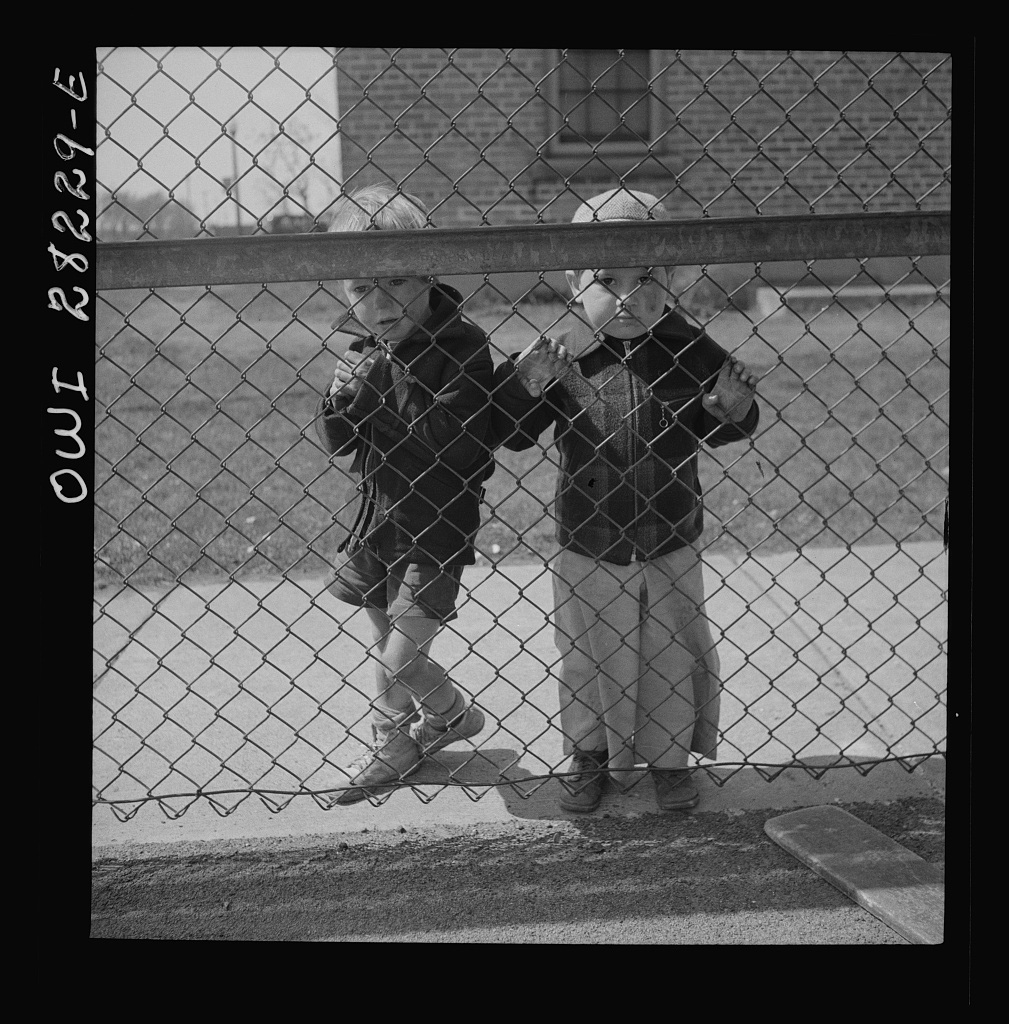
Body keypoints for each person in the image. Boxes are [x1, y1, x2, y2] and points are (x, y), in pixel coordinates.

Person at [491, 187, 760, 813]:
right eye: (607, 279)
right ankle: (588, 758)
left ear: (671, 280)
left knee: (668, 650)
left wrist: (730, 410)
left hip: (670, 532)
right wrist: (525, 389)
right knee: (585, 656)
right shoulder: (564, 354)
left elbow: (723, 418)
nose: (629, 295)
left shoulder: (690, 349)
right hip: (589, 539)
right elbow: (512, 434)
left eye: (647, 278)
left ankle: (669, 763)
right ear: (573, 282)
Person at [315, 184, 492, 805]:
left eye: (394, 282)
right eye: (360, 289)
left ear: (427, 273)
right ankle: (449, 718)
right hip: (376, 524)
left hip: (435, 529)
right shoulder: (363, 348)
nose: (379, 303)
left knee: (395, 662)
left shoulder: (462, 345)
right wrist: (338, 399)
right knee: (392, 650)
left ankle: (390, 743)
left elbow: (454, 441)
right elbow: (339, 440)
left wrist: (374, 386)